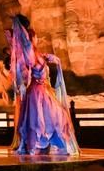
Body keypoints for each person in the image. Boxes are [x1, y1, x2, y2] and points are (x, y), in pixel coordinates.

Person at [9, 15, 80, 155]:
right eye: (35, 37)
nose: (37, 39)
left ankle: (46, 144)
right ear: (31, 38)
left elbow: (40, 58)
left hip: (41, 90)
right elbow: (27, 46)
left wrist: (49, 57)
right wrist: (19, 25)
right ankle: (37, 145)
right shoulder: (29, 51)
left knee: (54, 116)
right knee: (44, 119)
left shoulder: (37, 53)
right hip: (37, 92)